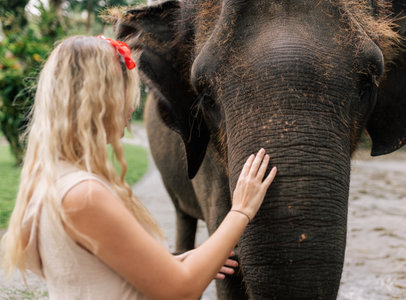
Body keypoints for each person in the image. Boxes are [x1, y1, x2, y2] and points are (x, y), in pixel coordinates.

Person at [1, 35, 277, 299]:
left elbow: (89, 270)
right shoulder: (83, 195)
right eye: (124, 95)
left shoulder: (49, 182)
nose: (130, 109)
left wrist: (187, 261)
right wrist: (242, 209)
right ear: (99, 101)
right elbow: (180, 291)